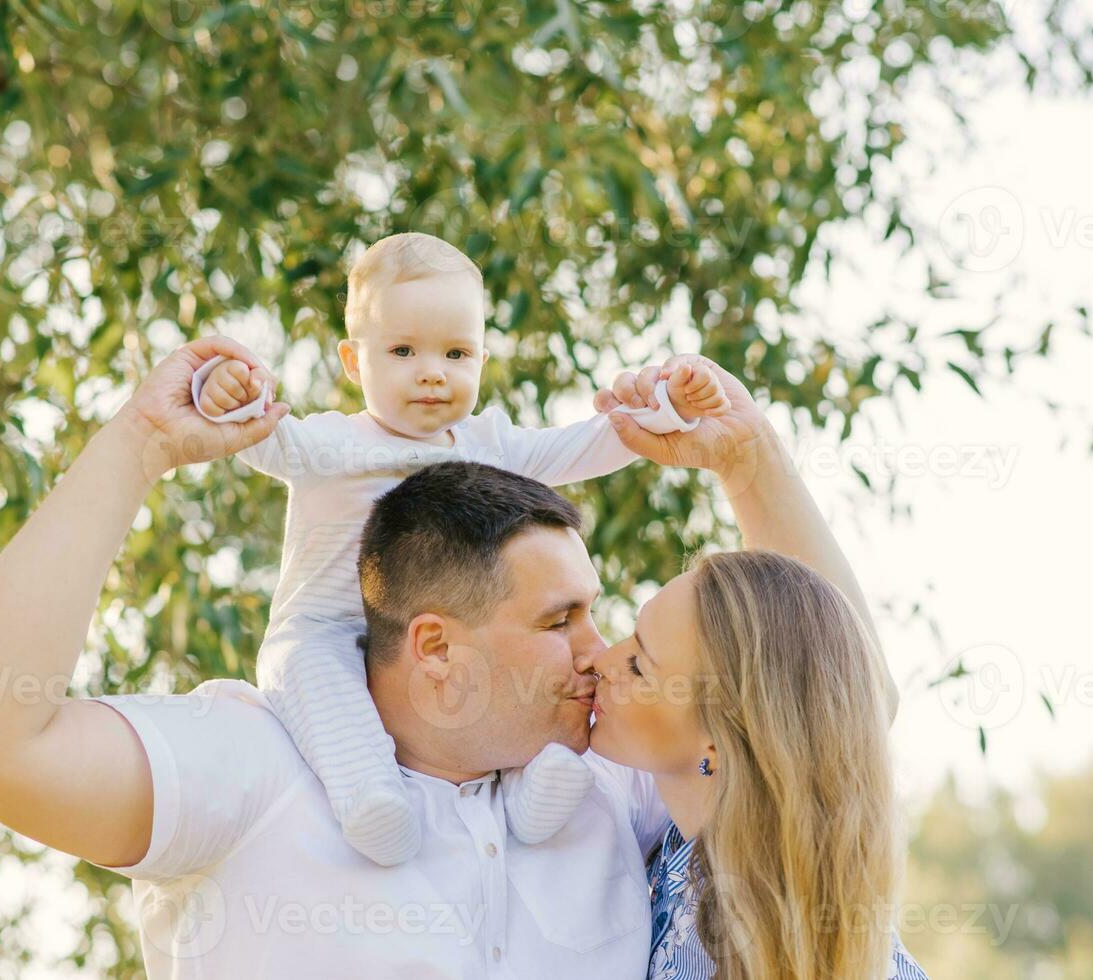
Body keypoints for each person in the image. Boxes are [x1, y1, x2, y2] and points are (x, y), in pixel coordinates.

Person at [0, 337, 900, 977]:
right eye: (562, 620)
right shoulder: (253, 764)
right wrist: (136, 445)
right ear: (436, 647)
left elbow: (830, 704)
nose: (596, 653)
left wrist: (748, 457)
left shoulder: (620, 787)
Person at [186, 231, 728, 864]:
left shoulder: (489, 443)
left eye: (456, 352)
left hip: (450, 644)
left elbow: (585, 446)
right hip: (326, 628)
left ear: (481, 358)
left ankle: (539, 787)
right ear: (354, 362)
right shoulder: (330, 445)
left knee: (524, 685)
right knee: (321, 692)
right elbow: (258, 437)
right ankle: (369, 798)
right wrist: (223, 391)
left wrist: (666, 409)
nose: (432, 373)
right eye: (403, 350)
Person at [583, 371, 924, 979]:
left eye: (638, 662)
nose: (601, 660)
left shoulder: (732, 946)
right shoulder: (705, 851)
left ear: (717, 740)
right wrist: (746, 460)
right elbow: (848, 687)